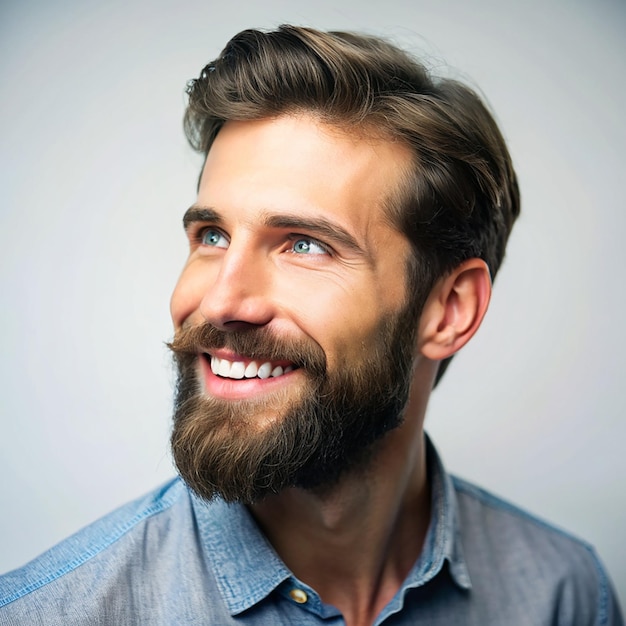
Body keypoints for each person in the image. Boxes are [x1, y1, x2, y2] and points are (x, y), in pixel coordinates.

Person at [0, 24, 622, 626]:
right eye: (212, 236)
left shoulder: (563, 595)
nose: (220, 302)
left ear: (450, 308)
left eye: (304, 245)